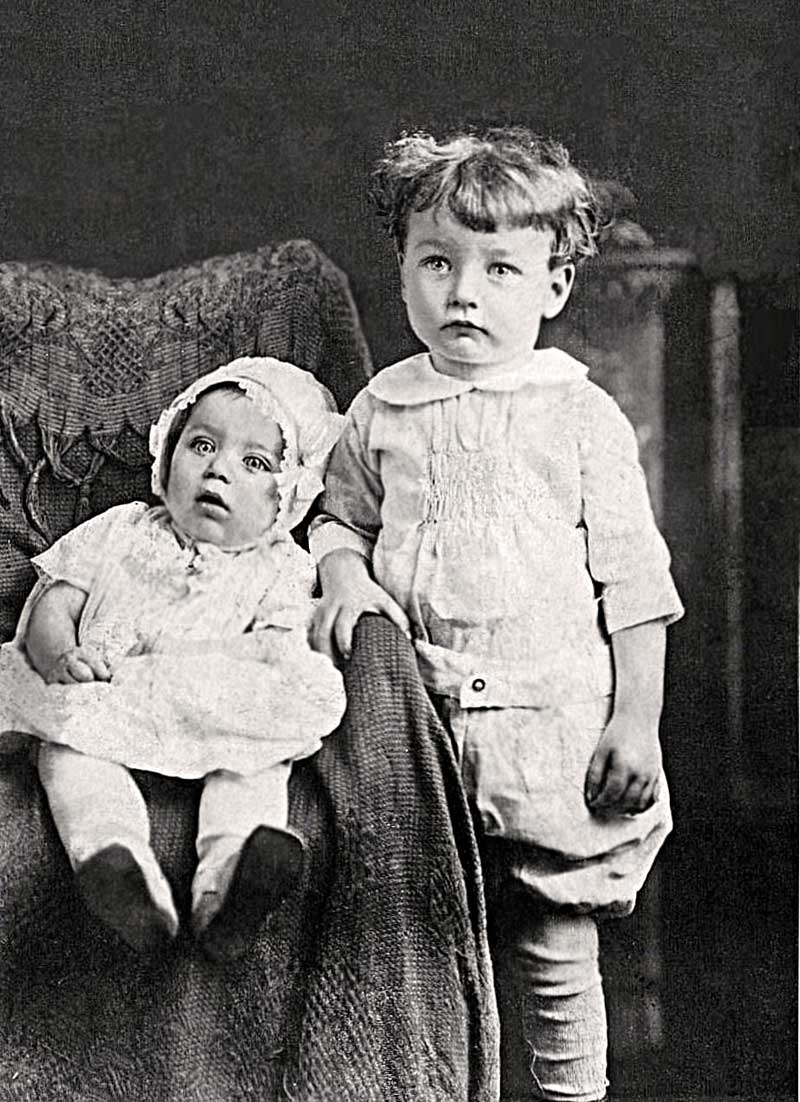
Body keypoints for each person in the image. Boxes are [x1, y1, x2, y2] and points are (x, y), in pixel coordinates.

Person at [309, 127, 684, 1101]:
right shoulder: (381, 410)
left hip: (544, 730)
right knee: (426, 957)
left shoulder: (575, 414)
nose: (462, 292)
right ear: (400, 272)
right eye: (436, 262)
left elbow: (635, 585)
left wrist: (632, 720)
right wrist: (344, 576)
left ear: (552, 287)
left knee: (553, 951)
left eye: (499, 269)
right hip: (414, 726)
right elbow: (336, 521)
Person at [0, 356, 346, 962]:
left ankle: (230, 883)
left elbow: (283, 643)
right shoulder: (123, 528)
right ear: (167, 455)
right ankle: (118, 865)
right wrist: (61, 656)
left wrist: (260, 680)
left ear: (285, 501)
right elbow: (56, 602)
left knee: (256, 762)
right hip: (108, 688)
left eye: (254, 463)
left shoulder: (281, 566)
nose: (218, 470)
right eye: (203, 444)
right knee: (68, 749)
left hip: (213, 701)